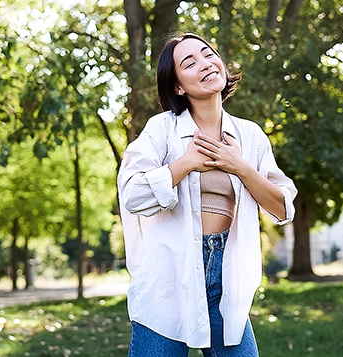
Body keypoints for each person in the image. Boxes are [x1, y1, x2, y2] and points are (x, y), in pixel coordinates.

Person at [117, 33, 298, 357]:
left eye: (208, 53)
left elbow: (282, 208)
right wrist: (185, 163)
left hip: (225, 280)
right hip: (168, 278)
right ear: (178, 86)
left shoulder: (250, 136)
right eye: (189, 62)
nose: (205, 64)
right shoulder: (162, 130)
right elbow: (132, 195)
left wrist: (241, 167)